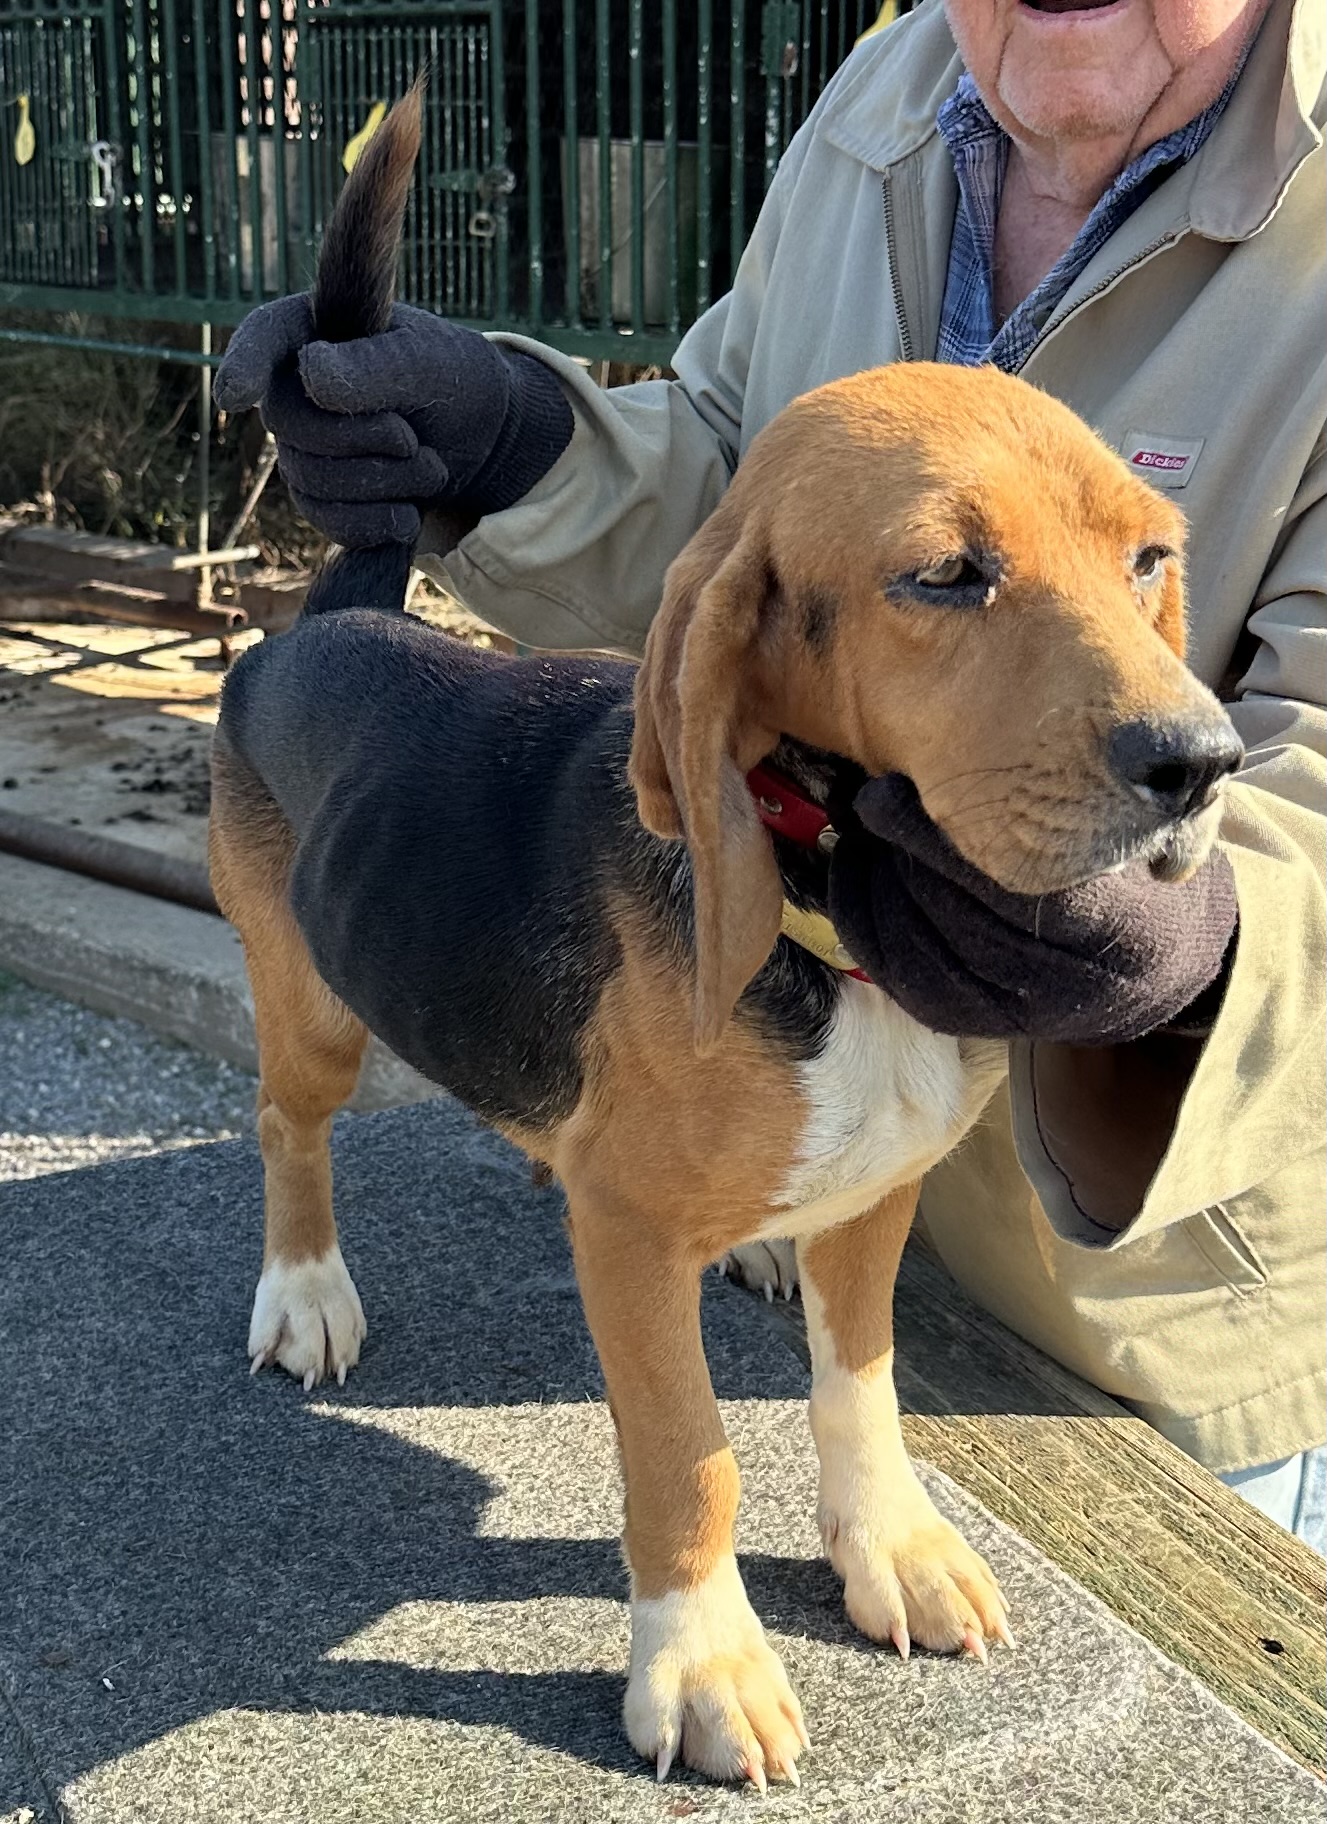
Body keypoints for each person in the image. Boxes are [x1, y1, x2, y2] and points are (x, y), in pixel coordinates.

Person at [214, 0, 1326, 1551]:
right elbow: (739, 483)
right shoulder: (890, 89)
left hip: (1126, 1332)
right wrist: (523, 445)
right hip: (790, 1164)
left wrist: (1191, 955)